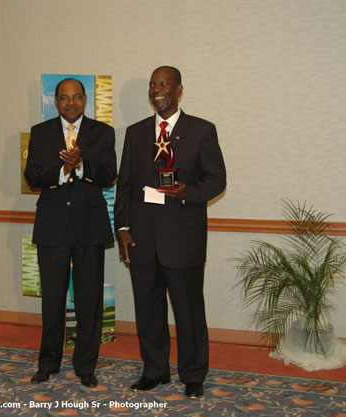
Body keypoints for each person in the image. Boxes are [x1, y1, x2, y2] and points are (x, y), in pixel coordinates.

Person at [114, 66, 226, 398]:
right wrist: (122, 228)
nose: (157, 89)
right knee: (147, 311)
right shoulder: (135, 133)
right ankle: (155, 370)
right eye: (152, 84)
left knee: (189, 312)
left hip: (183, 241)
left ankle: (193, 374)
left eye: (163, 83)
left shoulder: (202, 131)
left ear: (179, 89)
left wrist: (187, 191)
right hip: (142, 240)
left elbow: (217, 180)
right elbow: (125, 187)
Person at [24, 78, 117, 388]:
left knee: (90, 303)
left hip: (89, 227)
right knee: (52, 301)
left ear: (86, 99)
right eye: (64, 98)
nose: (71, 103)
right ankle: (48, 363)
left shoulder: (103, 133)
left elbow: (108, 174)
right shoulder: (40, 133)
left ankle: (86, 366)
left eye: (77, 97)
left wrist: (81, 166)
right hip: (52, 228)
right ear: (55, 101)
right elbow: (32, 175)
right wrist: (62, 171)